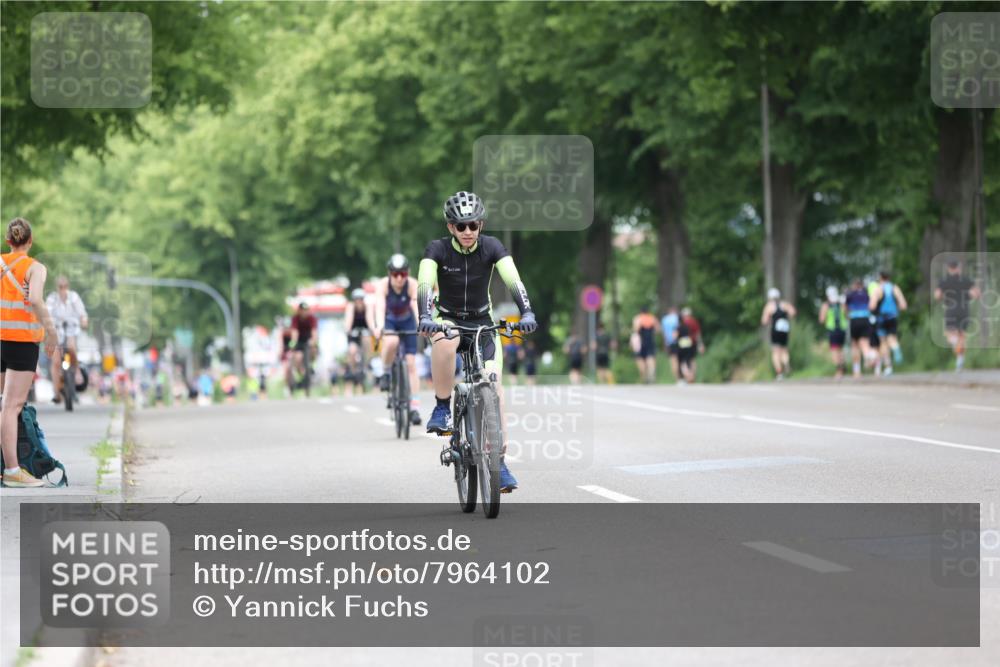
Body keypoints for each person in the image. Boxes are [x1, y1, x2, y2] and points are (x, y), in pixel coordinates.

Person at [417, 191, 538, 493]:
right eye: (461, 226)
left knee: (495, 388)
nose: (468, 231)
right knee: (446, 339)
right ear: (451, 227)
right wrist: (425, 316)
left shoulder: (492, 246)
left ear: (481, 225)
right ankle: (442, 407)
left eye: (473, 225)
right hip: (449, 319)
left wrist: (526, 312)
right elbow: (425, 282)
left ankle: (498, 461)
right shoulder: (437, 250)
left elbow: (513, 280)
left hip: (483, 322)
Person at [1, 219, 59, 487]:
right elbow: (35, 299)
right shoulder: (35, 267)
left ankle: (6, 466)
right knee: (11, 406)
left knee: (2, 404)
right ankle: (13, 471)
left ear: (8, 241)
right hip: (21, 342)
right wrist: (52, 332)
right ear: (30, 241)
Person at [373, 253, 421, 425]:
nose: (399, 278)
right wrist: (379, 326)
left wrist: (421, 323)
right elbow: (380, 306)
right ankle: (386, 372)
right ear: (389, 274)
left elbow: (416, 305)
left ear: (408, 273)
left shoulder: (413, 284)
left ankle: (414, 407)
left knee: (411, 363)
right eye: (395, 274)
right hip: (390, 320)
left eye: (403, 274)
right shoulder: (383, 285)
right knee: (391, 341)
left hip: (407, 320)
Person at [44, 275, 89, 403]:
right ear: (57, 287)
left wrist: (84, 320)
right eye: (60, 287)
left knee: (72, 347)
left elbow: (82, 312)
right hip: (56, 331)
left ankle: (77, 371)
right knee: (56, 362)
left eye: (65, 286)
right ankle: (56, 393)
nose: (63, 289)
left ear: (68, 286)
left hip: (71, 330)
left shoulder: (74, 297)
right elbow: (46, 313)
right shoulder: (52, 299)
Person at [935, 260, 980, 372]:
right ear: (958, 268)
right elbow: (976, 294)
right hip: (964, 310)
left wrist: (942, 298)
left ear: (949, 268)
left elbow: (937, 295)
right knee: (962, 335)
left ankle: (957, 347)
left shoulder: (944, 281)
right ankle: (960, 359)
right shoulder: (966, 280)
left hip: (951, 310)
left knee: (951, 335)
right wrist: (969, 296)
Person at [869, 270, 907, 375]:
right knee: (892, 338)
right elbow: (903, 305)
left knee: (883, 342)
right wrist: (895, 308)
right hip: (893, 317)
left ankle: (888, 366)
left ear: (880, 277)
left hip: (881, 318)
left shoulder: (878, 289)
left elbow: (871, 306)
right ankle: (896, 348)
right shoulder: (895, 288)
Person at [760, 288, 796, 380]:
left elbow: (764, 321)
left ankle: (779, 373)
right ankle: (786, 363)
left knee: (776, 352)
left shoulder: (769, 306)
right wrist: (786, 317)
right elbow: (793, 312)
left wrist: (769, 320)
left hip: (775, 330)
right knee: (784, 349)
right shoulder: (784, 304)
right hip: (785, 329)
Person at [343, 287, 371, 395]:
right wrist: (347, 329)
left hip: (365, 333)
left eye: (361, 299)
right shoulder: (351, 307)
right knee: (352, 351)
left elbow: (369, 320)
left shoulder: (367, 307)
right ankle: (352, 369)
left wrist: (373, 329)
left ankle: (366, 363)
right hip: (353, 334)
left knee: (367, 340)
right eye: (356, 299)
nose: (359, 301)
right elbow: (348, 320)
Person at [845, 278, 875, 378]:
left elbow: (845, 308)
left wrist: (847, 315)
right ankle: (869, 355)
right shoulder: (867, 295)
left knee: (855, 345)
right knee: (865, 343)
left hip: (854, 319)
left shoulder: (850, 295)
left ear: (854, 285)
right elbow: (871, 306)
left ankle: (857, 371)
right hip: (865, 319)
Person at [818, 286, 847, 379]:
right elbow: (847, 314)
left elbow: (821, 320)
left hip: (832, 330)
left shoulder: (826, 305)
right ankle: (842, 368)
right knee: (841, 349)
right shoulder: (841, 303)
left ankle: (838, 370)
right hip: (842, 330)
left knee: (834, 350)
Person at [631, 305, 660, 383]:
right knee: (650, 358)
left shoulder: (638, 318)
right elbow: (658, 330)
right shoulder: (652, 318)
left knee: (640, 359)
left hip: (641, 341)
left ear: (641, 311)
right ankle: (651, 374)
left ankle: (644, 376)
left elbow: (635, 330)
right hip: (650, 340)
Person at [676, 307, 704, 384]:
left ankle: (688, 376)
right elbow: (698, 334)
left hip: (683, 344)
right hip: (693, 343)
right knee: (692, 360)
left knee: (683, 361)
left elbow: (677, 335)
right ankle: (692, 375)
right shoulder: (694, 321)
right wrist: (700, 344)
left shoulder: (682, 323)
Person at [661, 306, 680, 381]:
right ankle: (684, 376)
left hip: (670, 342)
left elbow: (664, 333)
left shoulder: (664, 319)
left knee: (673, 360)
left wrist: (665, 344)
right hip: (680, 341)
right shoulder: (678, 318)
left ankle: (677, 378)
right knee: (681, 359)